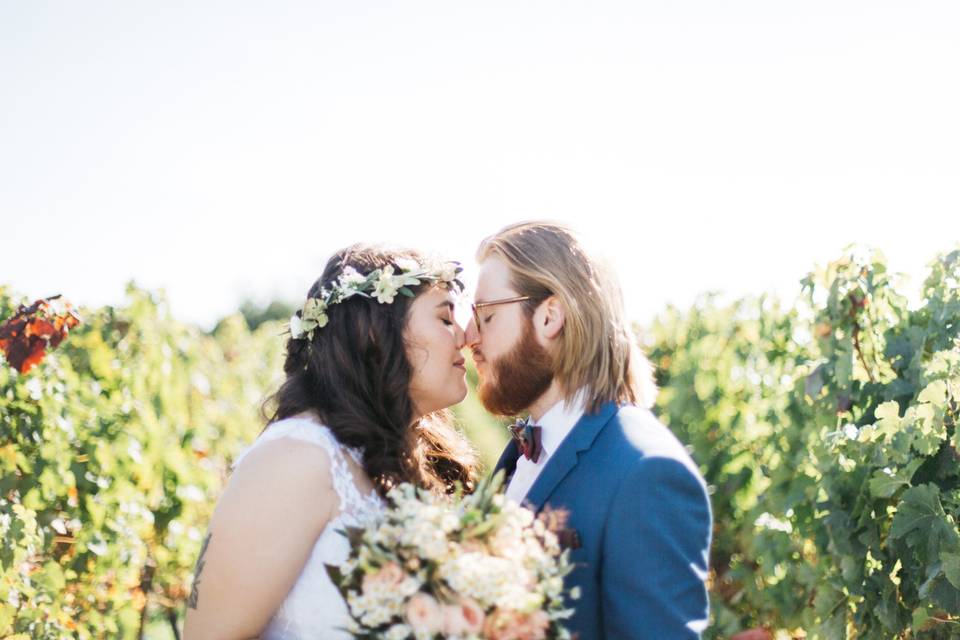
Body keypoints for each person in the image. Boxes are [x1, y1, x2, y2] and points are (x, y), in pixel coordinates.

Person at [183, 244, 478, 639]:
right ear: (376, 331)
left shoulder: (404, 460)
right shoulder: (296, 456)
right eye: (444, 318)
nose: (464, 336)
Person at [467, 221, 712, 639]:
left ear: (550, 316)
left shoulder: (646, 472)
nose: (468, 336)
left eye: (486, 315)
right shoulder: (520, 454)